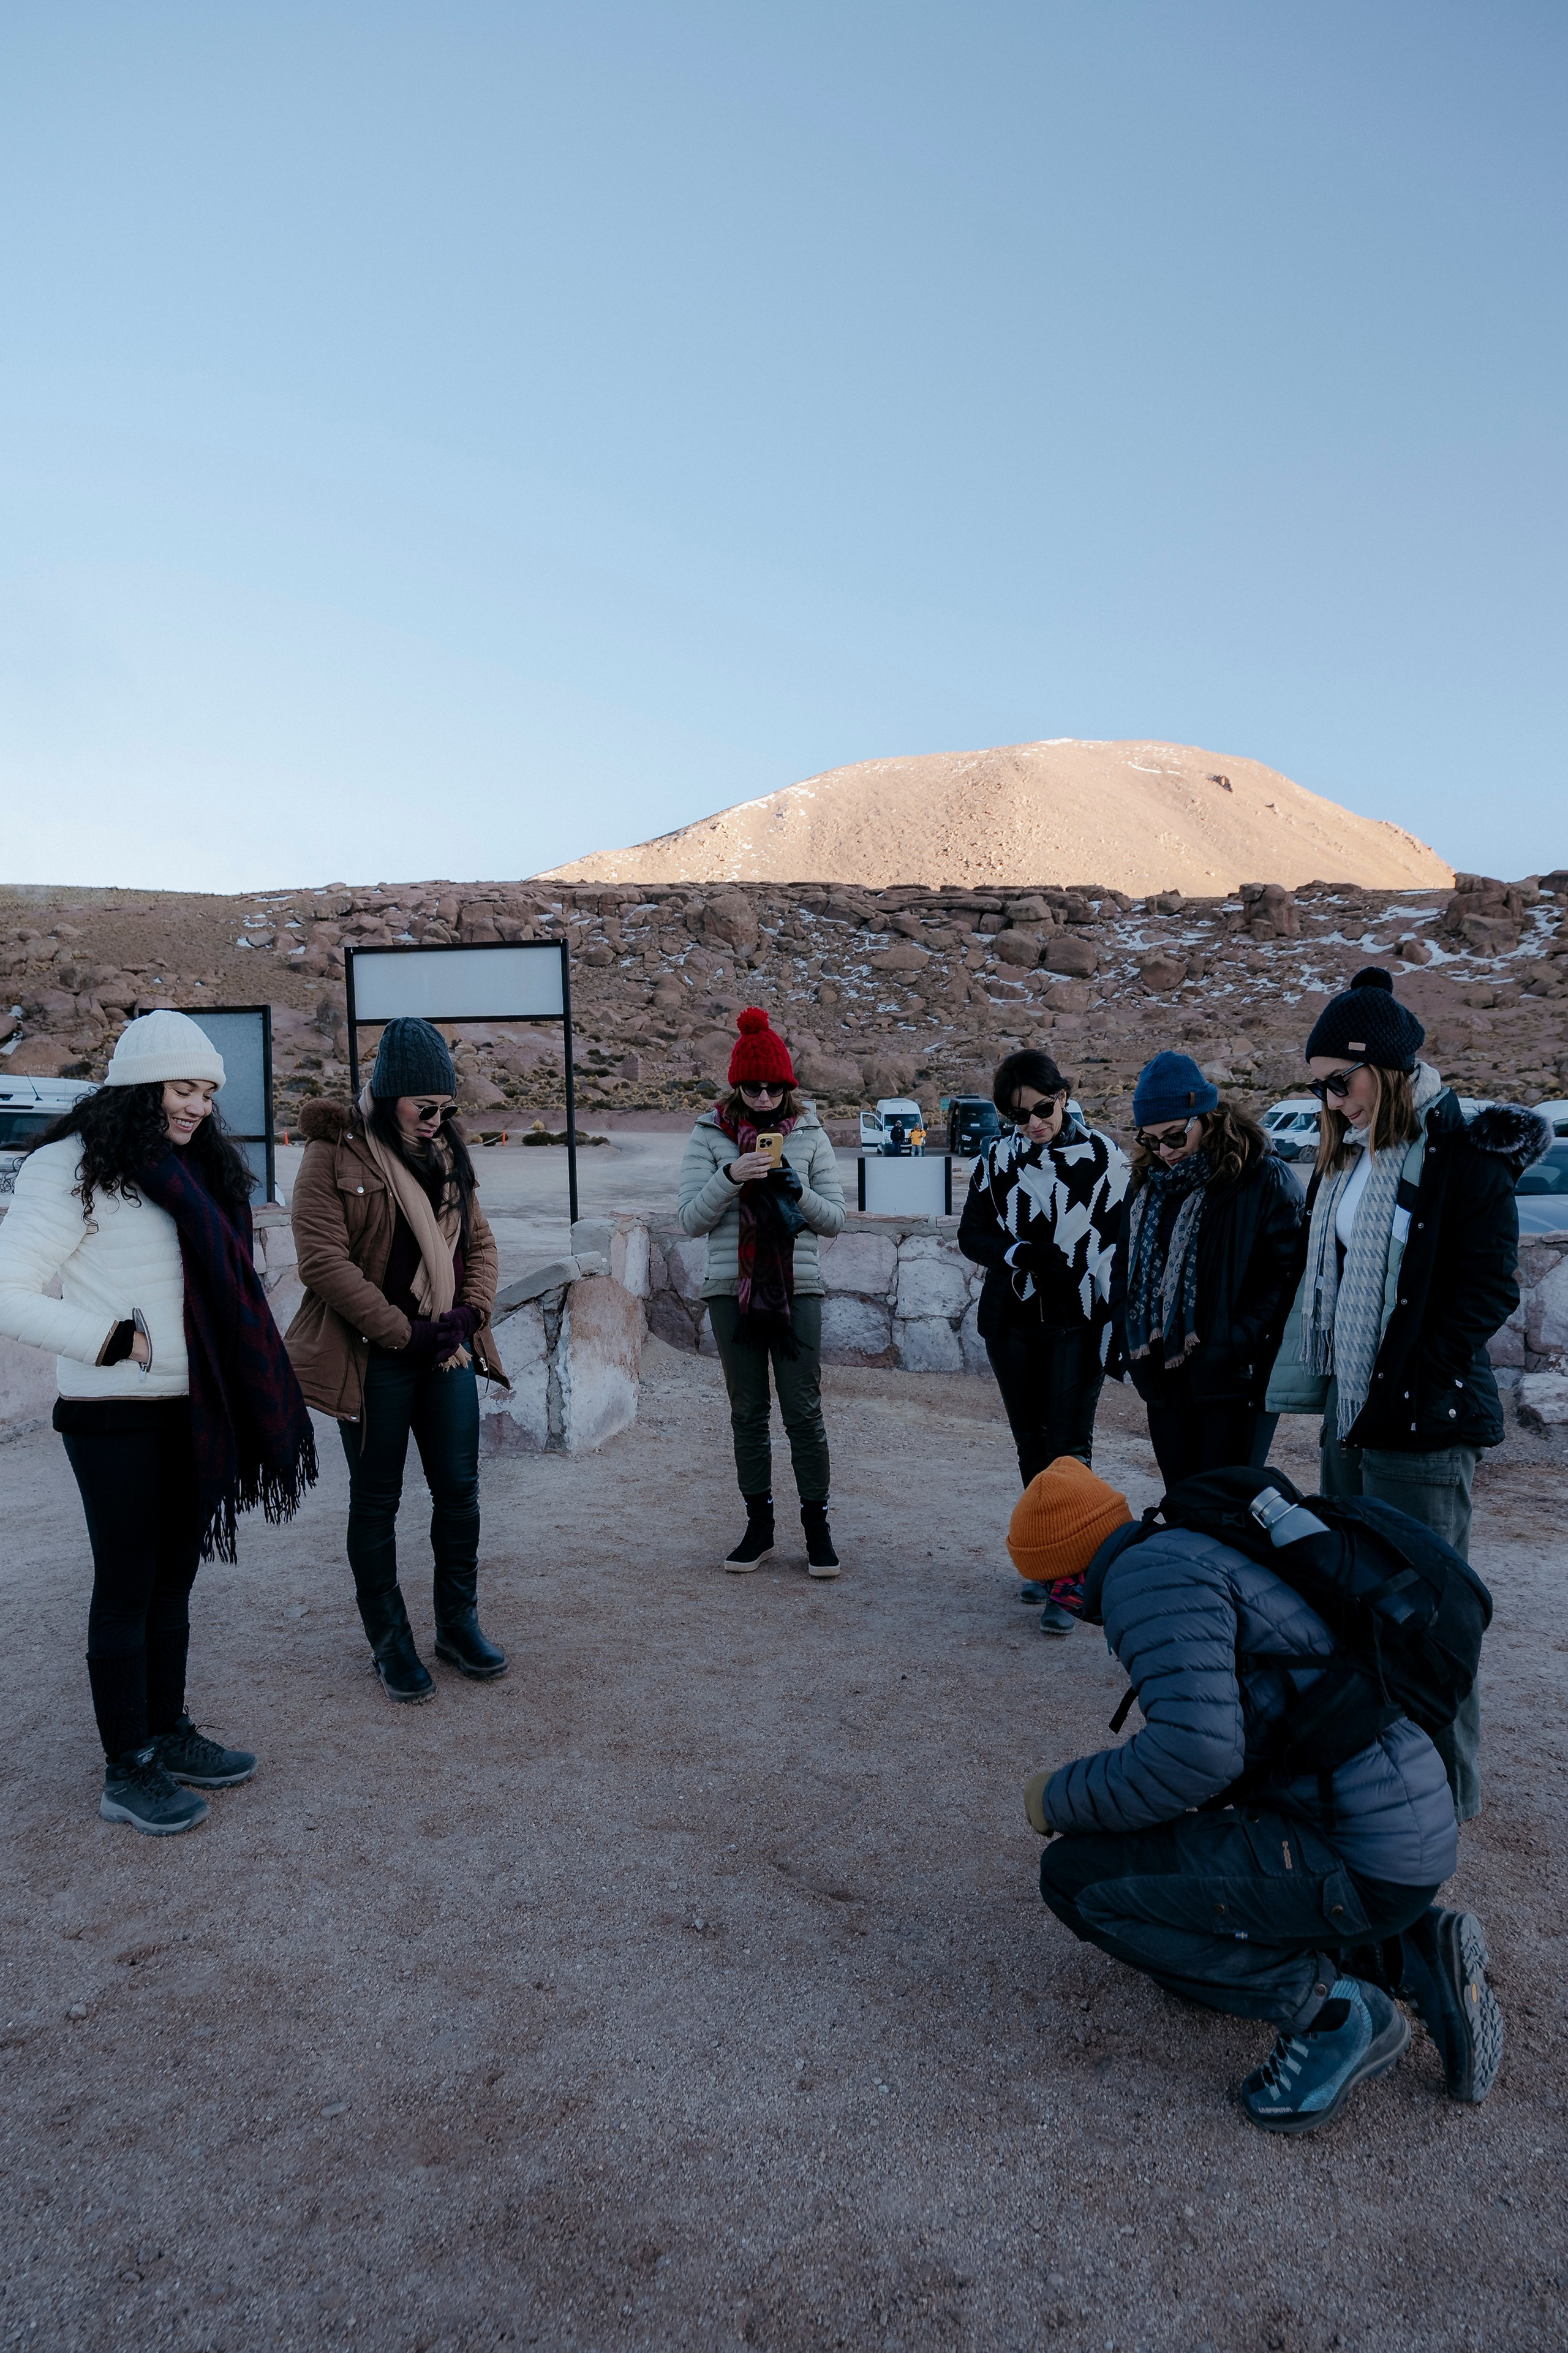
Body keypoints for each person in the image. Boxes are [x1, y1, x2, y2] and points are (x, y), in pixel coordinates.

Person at [1012, 1456, 1504, 2135]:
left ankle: (1330, 2012)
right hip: (1394, 1843)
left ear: (1067, 1578)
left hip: (1357, 1862)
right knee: (1163, 1863)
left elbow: (1197, 1754)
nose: (1056, 1603)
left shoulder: (1142, 1581)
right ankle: (1411, 1953)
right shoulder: (1193, 1547)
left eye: (1047, 1587)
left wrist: (1059, 1797)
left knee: (1076, 1878)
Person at [0, 1010, 317, 1835]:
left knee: (175, 1576)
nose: (199, 1106)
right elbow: (8, 1291)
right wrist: (112, 1341)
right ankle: (126, 1765)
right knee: (127, 1585)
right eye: (184, 1088)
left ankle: (168, 1731)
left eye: (208, 1091)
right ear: (141, 1085)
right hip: (113, 1415)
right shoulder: (68, 1167)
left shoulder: (192, 1169)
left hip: (193, 1408)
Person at [1263, 966, 1547, 1820]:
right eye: (1315, 1087)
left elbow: (1488, 1289)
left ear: (1381, 1068)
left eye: (1338, 1082)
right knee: (1353, 1608)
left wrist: (1416, 1376)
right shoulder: (1354, 1155)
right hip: (1353, 1417)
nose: (1328, 1101)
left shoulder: (1464, 1152)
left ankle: (1445, 1799)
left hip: (1419, 1426)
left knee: (1430, 1621)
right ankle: (1379, 1786)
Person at [287, 1017, 511, 1702]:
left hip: (445, 1352)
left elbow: (479, 1242)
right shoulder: (333, 1153)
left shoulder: (446, 1151)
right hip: (375, 1356)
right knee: (377, 1501)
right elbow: (323, 1263)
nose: (439, 1119)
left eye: (448, 1108)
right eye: (426, 1107)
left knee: (460, 1491)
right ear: (389, 1098)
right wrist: (401, 1333)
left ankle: (457, 1625)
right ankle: (391, 1644)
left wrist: (468, 1315)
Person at [957, 1049, 1129, 1634]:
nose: (1034, 1122)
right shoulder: (997, 1157)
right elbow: (972, 1232)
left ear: (1064, 1094)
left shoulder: (1103, 1157)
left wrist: (1075, 1263)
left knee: (1070, 1447)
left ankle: (1073, 1574)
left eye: (1043, 1107)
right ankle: (1046, 1556)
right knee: (1031, 1445)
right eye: (1018, 1114)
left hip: (1077, 1322)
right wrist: (1017, 1253)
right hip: (1012, 1323)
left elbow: (1118, 1239)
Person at [676, 1008, 846, 1575]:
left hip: (798, 1289)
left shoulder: (813, 1135)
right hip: (733, 1292)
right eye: (754, 1086)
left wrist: (796, 1191)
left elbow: (835, 1220)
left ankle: (817, 1529)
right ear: (738, 1085)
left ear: (788, 1085)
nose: (765, 1096)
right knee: (748, 1412)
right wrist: (729, 1179)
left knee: (803, 1410)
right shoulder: (709, 1135)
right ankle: (760, 1527)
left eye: (775, 1086)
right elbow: (689, 1221)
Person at [1111, 1052, 1301, 1489]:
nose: (1164, 1151)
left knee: (1228, 1508)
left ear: (1207, 1117)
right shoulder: (1147, 1184)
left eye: (1175, 1136)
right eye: (1151, 1138)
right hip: (1163, 1378)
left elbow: (1287, 1277)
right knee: (1183, 1502)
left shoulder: (1261, 1178)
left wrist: (1236, 1341)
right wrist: (1130, 1344)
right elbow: (1123, 1269)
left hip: (1233, 1380)